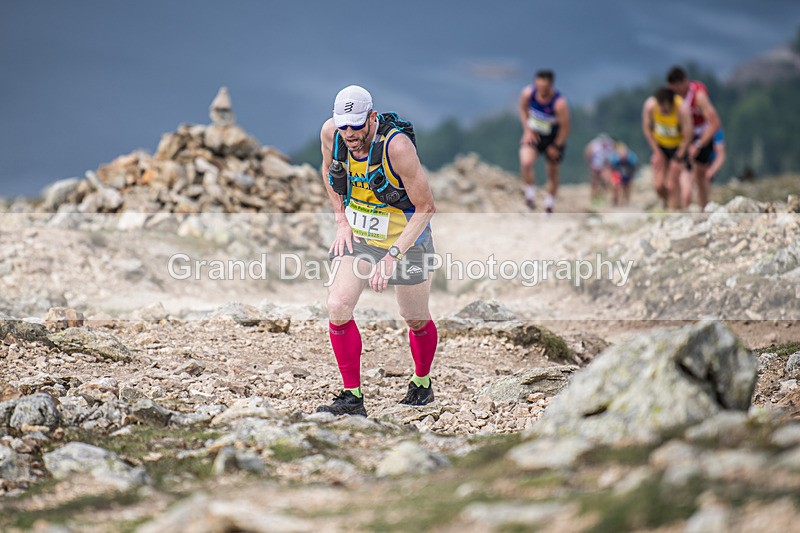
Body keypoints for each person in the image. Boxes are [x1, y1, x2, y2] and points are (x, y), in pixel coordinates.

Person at [316, 85, 438, 417]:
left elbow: (426, 207)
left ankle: (422, 383)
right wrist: (342, 221)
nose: (349, 133)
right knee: (338, 305)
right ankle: (352, 397)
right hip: (359, 237)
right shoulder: (332, 134)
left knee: (414, 317)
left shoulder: (397, 147)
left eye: (356, 125)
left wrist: (392, 256)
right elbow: (328, 172)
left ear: (372, 117)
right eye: (343, 125)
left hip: (407, 239)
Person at [667, 66, 721, 209]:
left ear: (684, 82)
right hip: (684, 135)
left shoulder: (698, 96)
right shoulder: (672, 97)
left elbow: (715, 123)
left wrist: (699, 144)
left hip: (702, 135)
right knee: (680, 170)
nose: (676, 92)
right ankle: (681, 207)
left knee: (700, 176)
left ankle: (704, 208)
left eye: (677, 88)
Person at [518, 69, 570, 213]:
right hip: (534, 134)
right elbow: (522, 109)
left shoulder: (559, 103)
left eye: (545, 87)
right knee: (526, 162)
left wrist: (556, 145)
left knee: (552, 172)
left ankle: (549, 205)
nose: (541, 89)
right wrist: (527, 130)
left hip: (553, 138)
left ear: (550, 85)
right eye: (538, 85)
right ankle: (529, 197)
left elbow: (565, 128)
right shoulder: (528, 93)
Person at [641, 86, 693, 210]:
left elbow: (688, 135)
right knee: (658, 185)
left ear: (671, 103)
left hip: (678, 147)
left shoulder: (682, 109)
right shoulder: (650, 106)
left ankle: (674, 210)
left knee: (672, 183)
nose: (662, 109)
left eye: (665, 107)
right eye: (660, 106)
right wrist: (657, 151)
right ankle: (667, 202)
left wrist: (678, 157)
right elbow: (647, 129)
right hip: (661, 146)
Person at [678, 127, 726, 207]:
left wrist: (711, 171)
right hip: (690, 163)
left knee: (702, 187)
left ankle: (703, 208)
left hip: (707, 164)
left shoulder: (715, 130)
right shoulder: (691, 126)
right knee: (686, 192)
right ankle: (685, 209)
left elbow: (720, 155)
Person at [584, 133, 616, 204]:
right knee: (595, 183)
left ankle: (602, 197)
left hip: (605, 167)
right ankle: (594, 198)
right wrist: (589, 163)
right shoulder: (594, 144)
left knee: (605, 182)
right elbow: (588, 153)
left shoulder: (611, 144)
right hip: (596, 166)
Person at [608, 142, 638, 207]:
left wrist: (632, 177)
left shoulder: (631, 159)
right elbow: (612, 169)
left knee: (627, 187)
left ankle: (626, 201)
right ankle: (616, 201)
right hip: (618, 173)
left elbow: (634, 168)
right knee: (616, 186)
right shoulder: (615, 159)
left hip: (628, 173)